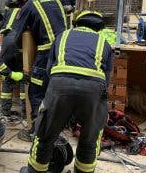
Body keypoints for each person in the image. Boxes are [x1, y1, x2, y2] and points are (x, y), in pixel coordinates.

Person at [20, 10, 113, 173]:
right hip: (93, 89)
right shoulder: (104, 42)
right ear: (98, 27)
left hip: (60, 85)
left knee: (45, 135)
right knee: (90, 139)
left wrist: (56, 102)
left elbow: (49, 70)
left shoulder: (62, 36)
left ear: (77, 23)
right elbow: (106, 80)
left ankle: (34, 171)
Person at [1, 0, 67, 141]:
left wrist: (23, 49)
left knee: (36, 92)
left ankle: (36, 132)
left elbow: (18, 35)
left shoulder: (29, 5)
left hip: (46, 54)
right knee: (56, 90)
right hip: (64, 50)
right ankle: (56, 127)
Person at [0, 0, 26, 119]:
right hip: (21, 44)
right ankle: (26, 112)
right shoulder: (27, 10)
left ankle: (5, 111)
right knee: (23, 77)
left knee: (6, 77)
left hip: (7, 44)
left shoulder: (7, 11)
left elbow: (0, 28)